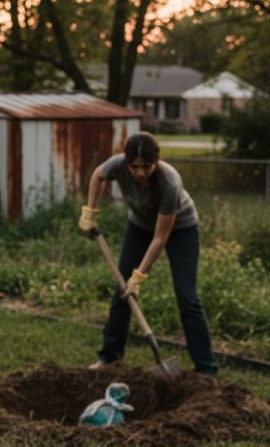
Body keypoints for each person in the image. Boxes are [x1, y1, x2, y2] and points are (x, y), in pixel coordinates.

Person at [78, 131, 218, 375]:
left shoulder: (170, 183)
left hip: (180, 230)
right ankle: (110, 357)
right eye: (135, 167)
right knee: (122, 291)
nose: (140, 173)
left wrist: (139, 277)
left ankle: (206, 370)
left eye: (147, 166)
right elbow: (98, 175)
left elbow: (161, 237)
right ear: (127, 162)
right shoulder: (118, 165)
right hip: (140, 226)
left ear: (157, 160)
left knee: (187, 297)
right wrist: (90, 211)